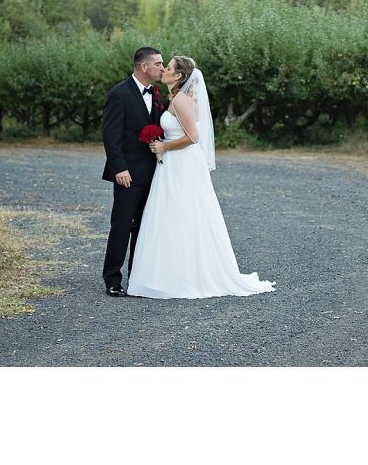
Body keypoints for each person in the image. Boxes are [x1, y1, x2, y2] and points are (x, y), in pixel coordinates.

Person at [127, 56, 275, 299]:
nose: (164, 69)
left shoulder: (182, 100)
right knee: (173, 215)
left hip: (181, 163)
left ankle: (185, 276)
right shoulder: (177, 98)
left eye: (169, 67)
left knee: (183, 213)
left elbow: (194, 137)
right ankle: (168, 272)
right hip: (175, 163)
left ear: (178, 77)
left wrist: (163, 147)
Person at [101, 47, 165, 297]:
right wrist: (120, 168)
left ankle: (137, 277)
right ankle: (112, 279)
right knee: (121, 225)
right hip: (128, 174)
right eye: (159, 64)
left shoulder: (157, 94)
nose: (163, 67)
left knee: (144, 226)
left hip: (154, 172)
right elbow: (111, 135)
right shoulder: (119, 94)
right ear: (144, 67)